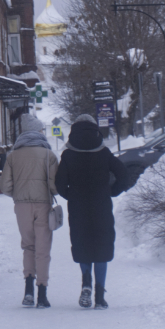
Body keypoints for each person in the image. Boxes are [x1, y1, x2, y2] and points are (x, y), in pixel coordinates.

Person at [54, 114, 130, 309]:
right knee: (102, 247)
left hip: (78, 206)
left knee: (83, 243)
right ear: (95, 130)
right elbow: (123, 175)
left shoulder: (68, 155)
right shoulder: (104, 153)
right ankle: (99, 295)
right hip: (101, 205)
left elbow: (60, 184)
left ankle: (86, 282)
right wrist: (112, 191)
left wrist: (71, 195)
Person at [0, 116, 58, 308]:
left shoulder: (13, 156)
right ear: (39, 131)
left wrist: (17, 194)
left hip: (22, 206)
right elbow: (54, 186)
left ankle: (28, 290)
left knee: (28, 247)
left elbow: (4, 185)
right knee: (43, 249)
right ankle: (42, 293)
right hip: (43, 205)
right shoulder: (49, 155)